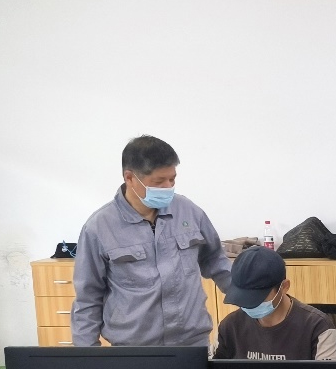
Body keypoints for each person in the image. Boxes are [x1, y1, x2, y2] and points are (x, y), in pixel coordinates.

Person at [73, 135, 230, 347]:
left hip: (192, 343)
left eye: (172, 179)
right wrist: (88, 355)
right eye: (159, 181)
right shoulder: (99, 228)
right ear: (130, 178)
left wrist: (255, 301)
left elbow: (216, 261)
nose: (168, 187)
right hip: (135, 350)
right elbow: (88, 298)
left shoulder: (189, 211)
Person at [213, 245, 336, 361]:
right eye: (243, 297)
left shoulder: (318, 327)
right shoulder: (229, 326)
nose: (249, 304)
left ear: (284, 287)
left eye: (257, 298)